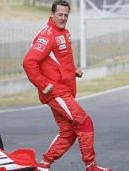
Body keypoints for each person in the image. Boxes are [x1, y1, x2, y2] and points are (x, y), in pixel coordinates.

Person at [23, 1, 112, 171]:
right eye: (60, 14)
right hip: (56, 91)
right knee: (85, 123)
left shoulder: (65, 33)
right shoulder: (47, 35)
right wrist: (43, 84)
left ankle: (44, 164)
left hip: (65, 89)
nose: (63, 18)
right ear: (51, 14)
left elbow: (60, 61)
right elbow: (29, 62)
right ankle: (91, 166)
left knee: (69, 131)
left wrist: (73, 70)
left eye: (66, 15)